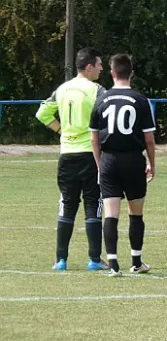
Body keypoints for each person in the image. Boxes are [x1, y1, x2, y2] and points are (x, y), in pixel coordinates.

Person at [36, 47, 107, 271]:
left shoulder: (62, 89)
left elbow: (42, 114)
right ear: (88, 67)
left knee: (67, 205)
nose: (101, 68)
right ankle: (95, 259)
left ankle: (61, 260)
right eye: (99, 64)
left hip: (67, 154)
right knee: (93, 204)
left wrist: (62, 131)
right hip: (90, 154)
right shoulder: (97, 90)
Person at [89, 54, 156, 277]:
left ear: (112, 73)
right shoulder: (140, 100)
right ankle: (136, 261)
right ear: (132, 73)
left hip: (109, 160)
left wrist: (100, 165)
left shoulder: (101, 99)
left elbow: (94, 138)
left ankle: (114, 264)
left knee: (111, 213)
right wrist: (152, 163)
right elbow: (148, 139)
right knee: (135, 213)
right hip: (133, 159)